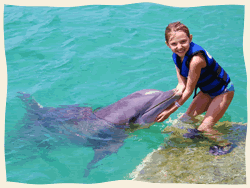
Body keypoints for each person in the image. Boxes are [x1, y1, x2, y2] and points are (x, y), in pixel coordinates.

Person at [155, 21, 235, 155]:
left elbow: (189, 90)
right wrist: (164, 104)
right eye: (174, 44)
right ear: (167, 44)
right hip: (207, 91)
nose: (179, 47)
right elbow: (182, 85)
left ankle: (226, 144)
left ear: (190, 38)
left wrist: (169, 111)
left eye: (183, 42)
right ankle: (197, 134)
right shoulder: (177, 56)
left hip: (223, 92)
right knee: (185, 120)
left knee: (205, 128)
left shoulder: (196, 60)